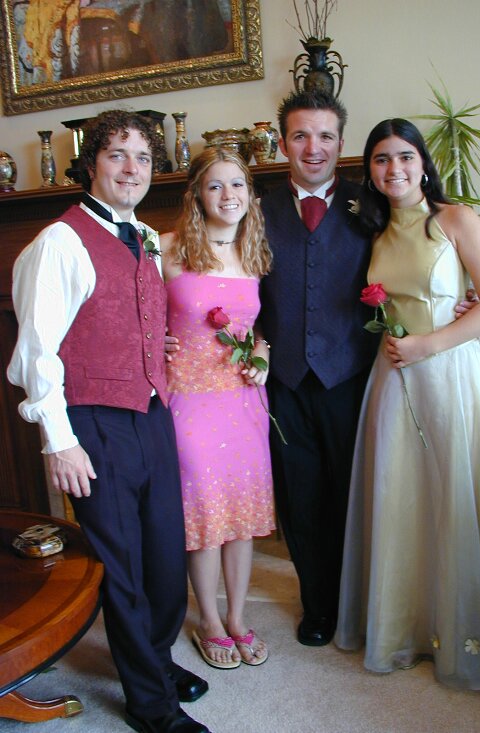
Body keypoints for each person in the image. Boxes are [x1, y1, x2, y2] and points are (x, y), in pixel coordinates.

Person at [7, 110, 211, 733]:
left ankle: (153, 661)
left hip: (151, 413)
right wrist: (59, 442)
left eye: (143, 157)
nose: (132, 168)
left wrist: (153, 346)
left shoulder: (145, 236)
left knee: (164, 558)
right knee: (122, 568)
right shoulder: (59, 242)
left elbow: (130, 316)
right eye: (117, 154)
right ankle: (151, 705)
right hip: (93, 422)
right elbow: (37, 352)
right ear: (91, 164)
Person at [334, 118, 480, 690]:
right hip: (393, 380)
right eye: (381, 159)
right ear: (369, 170)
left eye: (404, 156)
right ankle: (408, 626)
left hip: (450, 375)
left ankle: (464, 630)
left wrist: (428, 344)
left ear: (422, 162)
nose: (394, 168)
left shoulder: (455, 219)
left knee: (452, 494)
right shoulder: (372, 232)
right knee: (404, 498)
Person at [259, 90, 378, 646]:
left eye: (325, 135)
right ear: (283, 143)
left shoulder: (371, 205)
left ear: (340, 143)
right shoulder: (253, 208)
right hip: (284, 382)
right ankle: (319, 606)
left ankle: (365, 604)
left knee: (356, 494)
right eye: (301, 135)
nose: (314, 147)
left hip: (352, 377)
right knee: (301, 499)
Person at [160, 148, 274, 669]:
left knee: (242, 515)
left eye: (237, 185)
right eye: (215, 186)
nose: (229, 196)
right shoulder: (167, 249)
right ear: (197, 196)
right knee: (204, 511)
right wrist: (152, 342)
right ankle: (207, 619)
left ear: (250, 194)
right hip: (188, 399)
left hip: (242, 400)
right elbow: (136, 313)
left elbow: (258, 330)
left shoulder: (254, 254)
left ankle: (237, 616)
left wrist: (263, 355)